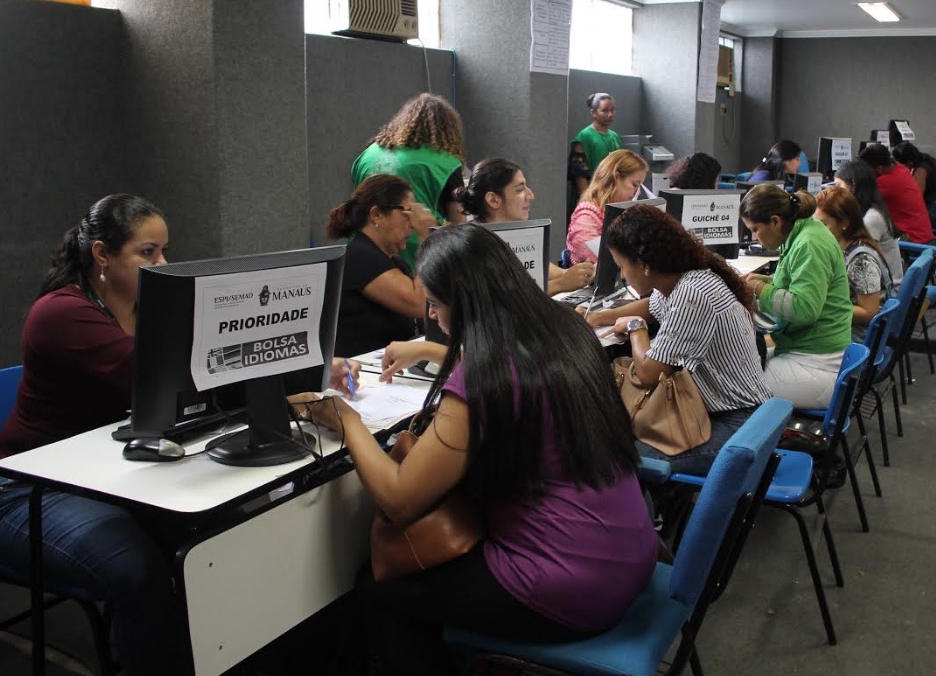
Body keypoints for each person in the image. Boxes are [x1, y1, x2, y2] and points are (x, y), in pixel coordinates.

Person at [297, 224, 657, 676]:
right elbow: (515, 373)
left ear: (465, 304)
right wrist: (429, 349)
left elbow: (399, 498)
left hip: (568, 590)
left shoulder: (482, 379)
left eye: (436, 306)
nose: (433, 315)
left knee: (379, 594)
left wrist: (344, 418)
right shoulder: (567, 331)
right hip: (629, 556)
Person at [0, 195, 181, 676]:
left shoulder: (144, 310)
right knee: (137, 568)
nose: (162, 264)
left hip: (102, 476)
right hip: (26, 491)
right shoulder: (60, 313)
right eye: (148, 253)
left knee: (208, 537)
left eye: (163, 251)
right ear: (102, 255)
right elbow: (157, 375)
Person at [582, 204, 771, 475]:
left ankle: (656, 516)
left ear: (644, 264)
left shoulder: (692, 294)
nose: (622, 276)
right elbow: (651, 307)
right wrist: (599, 317)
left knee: (621, 461)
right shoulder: (683, 278)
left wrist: (636, 329)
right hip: (735, 414)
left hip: (735, 425)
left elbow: (647, 374)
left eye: (622, 266)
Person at [739, 186, 853, 409]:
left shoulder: (809, 244)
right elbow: (798, 285)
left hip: (818, 363)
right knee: (743, 365)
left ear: (775, 221)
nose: (754, 237)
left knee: (735, 385)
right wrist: (765, 281)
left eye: (755, 229)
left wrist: (760, 290)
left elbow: (804, 310)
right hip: (810, 352)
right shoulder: (804, 233)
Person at [350, 92, 468, 268]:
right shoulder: (446, 162)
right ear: (448, 131)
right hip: (418, 260)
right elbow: (458, 227)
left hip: (363, 257)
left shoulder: (367, 155)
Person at [326, 174, 434, 357]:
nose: (413, 225)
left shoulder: (395, 261)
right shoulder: (359, 256)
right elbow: (420, 304)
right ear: (377, 215)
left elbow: (431, 311)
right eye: (407, 214)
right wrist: (428, 238)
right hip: (360, 372)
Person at [454, 157, 596, 294]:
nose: (530, 195)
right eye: (519, 189)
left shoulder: (516, 235)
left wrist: (582, 274)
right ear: (493, 200)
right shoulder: (474, 245)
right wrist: (560, 284)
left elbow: (543, 269)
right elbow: (504, 298)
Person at [815, 186, 892, 341]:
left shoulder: (861, 260)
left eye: (823, 225)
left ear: (844, 223)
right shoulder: (839, 246)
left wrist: (821, 307)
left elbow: (868, 313)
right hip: (843, 327)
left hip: (856, 335)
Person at [566, 149, 648, 265]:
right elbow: (593, 256)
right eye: (635, 185)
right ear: (616, 177)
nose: (637, 193)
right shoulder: (586, 214)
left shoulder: (620, 211)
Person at [835, 160, 904, 288]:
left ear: (854, 186)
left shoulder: (871, 218)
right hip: (881, 284)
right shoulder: (871, 209)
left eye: (839, 186)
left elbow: (862, 260)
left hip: (886, 291)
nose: (836, 192)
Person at [856, 143, 934, 244]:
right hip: (922, 237)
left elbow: (856, 201)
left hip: (912, 241)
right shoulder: (901, 169)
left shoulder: (886, 181)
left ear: (879, 169)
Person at [571, 92, 621, 195]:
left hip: (612, 194)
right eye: (604, 110)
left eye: (612, 110)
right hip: (592, 196)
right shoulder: (584, 136)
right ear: (593, 112)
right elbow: (579, 174)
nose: (610, 114)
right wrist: (587, 199)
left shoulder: (615, 136)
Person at [893, 141, 936, 229]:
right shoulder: (924, 160)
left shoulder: (921, 169)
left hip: (934, 211)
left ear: (908, 162)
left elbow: (917, 198)